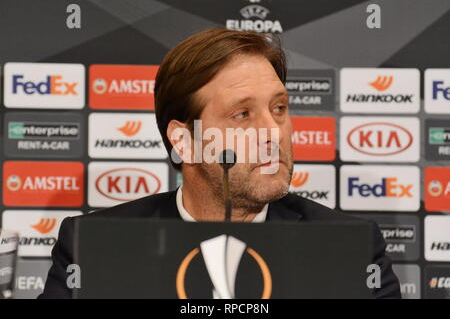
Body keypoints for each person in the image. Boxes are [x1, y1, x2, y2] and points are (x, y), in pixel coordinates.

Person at [39, 28, 401, 299]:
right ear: (184, 140)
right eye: (242, 114)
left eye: (279, 109)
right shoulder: (95, 248)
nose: (273, 133)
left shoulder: (349, 249)